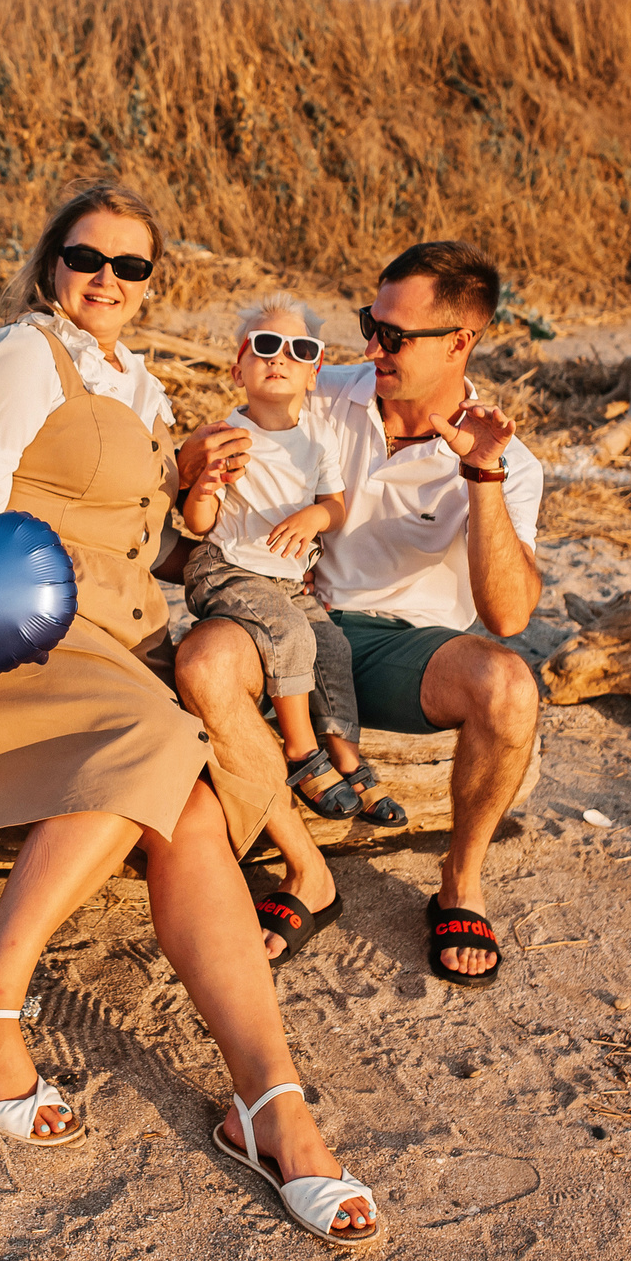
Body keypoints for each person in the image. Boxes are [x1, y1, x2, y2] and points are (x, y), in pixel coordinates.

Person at [0, 180, 381, 1248]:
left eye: (130, 265)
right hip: (9, 632)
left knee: (189, 806)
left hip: (116, 649)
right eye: (86, 257)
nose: (106, 278)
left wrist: (204, 498)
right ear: (53, 264)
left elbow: (154, 551)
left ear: (148, 285)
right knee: (163, 742)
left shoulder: (141, 386)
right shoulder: (17, 355)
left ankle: (270, 1100)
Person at [174, 241, 544, 985]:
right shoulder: (318, 391)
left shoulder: (511, 460)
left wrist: (481, 474)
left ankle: (460, 883)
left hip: (409, 654)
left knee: (510, 687)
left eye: (394, 336)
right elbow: (206, 457)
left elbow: (507, 616)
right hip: (286, 614)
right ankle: (307, 870)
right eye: (369, 324)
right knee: (204, 662)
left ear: (460, 342)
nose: (371, 347)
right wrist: (196, 463)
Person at [176, 297, 403, 853]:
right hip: (227, 568)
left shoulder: (317, 443)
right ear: (239, 368)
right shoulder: (229, 436)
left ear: (314, 371)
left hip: (283, 580)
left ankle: (346, 755)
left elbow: (336, 508)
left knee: (332, 646)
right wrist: (204, 489)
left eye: (298, 349)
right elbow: (198, 523)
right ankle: (301, 750)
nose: (280, 358)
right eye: (265, 346)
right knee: (290, 632)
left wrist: (314, 518)